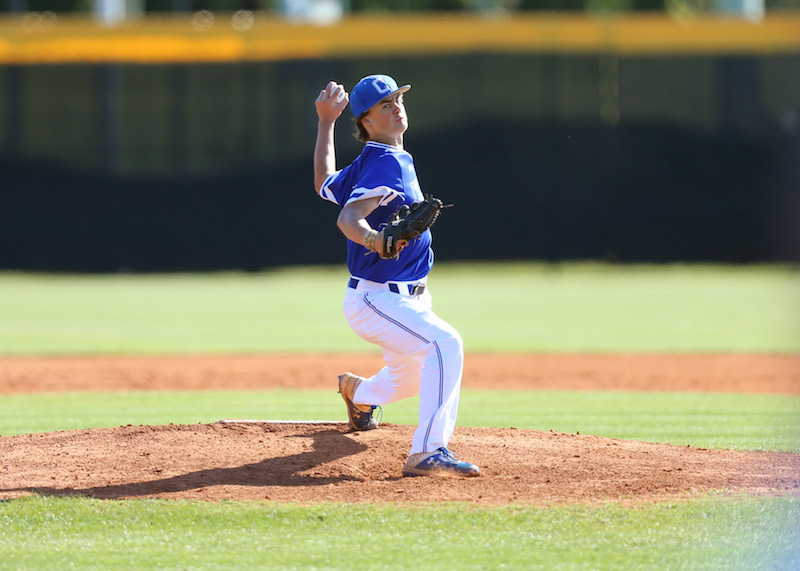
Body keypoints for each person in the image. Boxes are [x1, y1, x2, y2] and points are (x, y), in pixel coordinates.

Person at [313, 74, 479, 478]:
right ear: (367, 121)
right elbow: (347, 217)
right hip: (379, 298)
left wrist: (324, 124)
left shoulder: (373, 159)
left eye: (398, 99)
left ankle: (358, 394)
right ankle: (428, 451)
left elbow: (323, 183)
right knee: (447, 344)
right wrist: (372, 240)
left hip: (406, 298)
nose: (397, 107)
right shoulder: (385, 161)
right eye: (385, 105)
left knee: (407, 382)